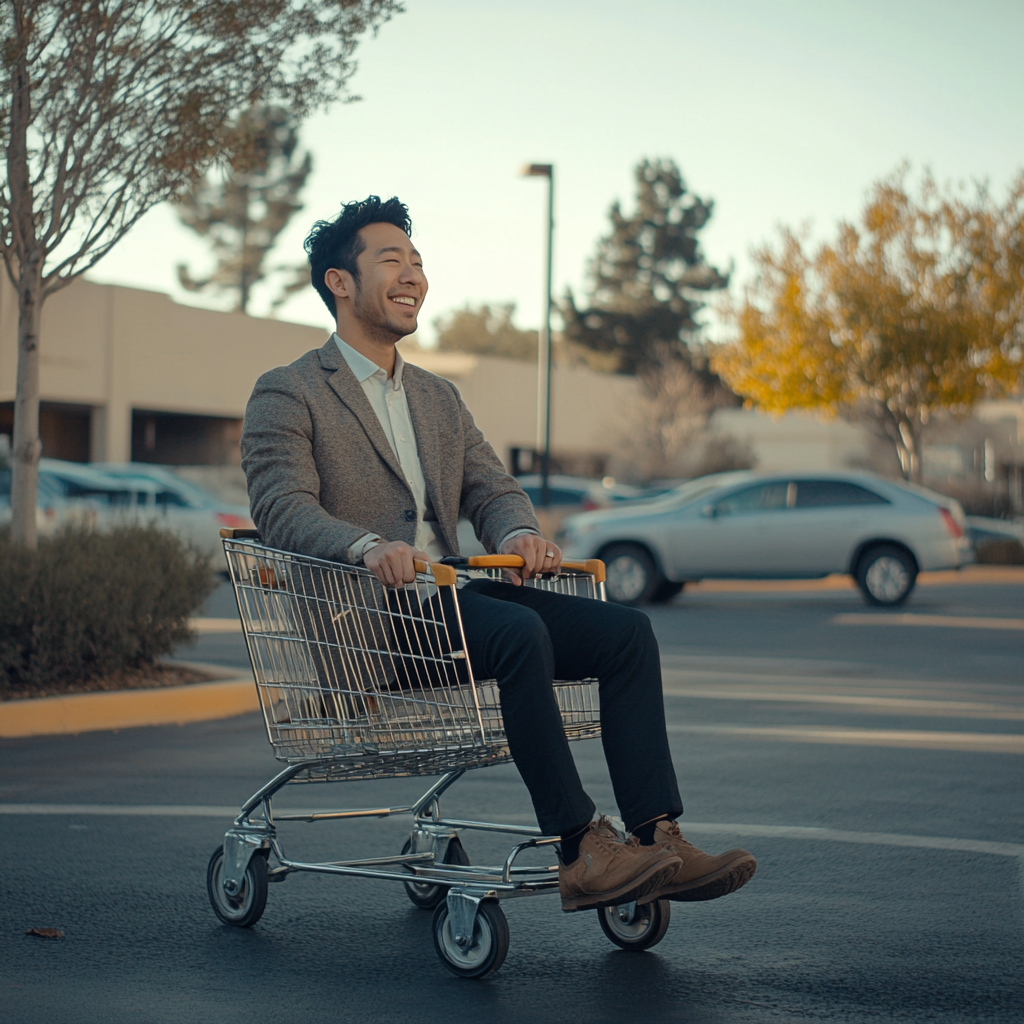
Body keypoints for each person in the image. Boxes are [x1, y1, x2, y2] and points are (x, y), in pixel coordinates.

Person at [240, 195, 757, 912]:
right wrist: (364, 545)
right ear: (340, 282)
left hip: (453, 606)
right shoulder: (289, 392)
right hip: (367, 618)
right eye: (391, 260)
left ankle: (656, 834)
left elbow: (491, 487)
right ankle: (581, 847)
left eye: (417, 262)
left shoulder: (437, 397)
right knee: (520, 633)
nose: (412, 275)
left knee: (626, 634)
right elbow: (280, 507)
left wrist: (516, 532)